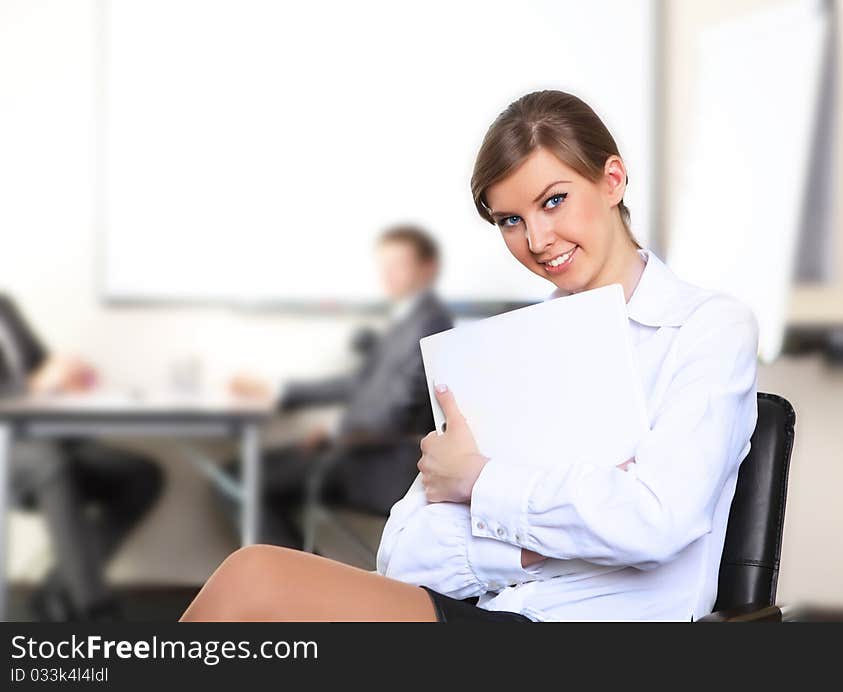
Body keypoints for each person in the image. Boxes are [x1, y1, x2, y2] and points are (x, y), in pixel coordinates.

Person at [180, 90, 758, 622]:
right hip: (496, 616)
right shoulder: (500, 352)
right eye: (511, 220)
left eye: (554, 201)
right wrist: (547, 530)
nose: (536, 240)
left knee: (257, 580)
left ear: (612, 180)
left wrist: (478, 485)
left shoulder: (707, 327)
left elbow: (652, 524)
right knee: (255, 581)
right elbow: (403, 556)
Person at [221, 225, 453, 549]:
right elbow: (359, 383)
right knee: (241, 474)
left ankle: (295, 587)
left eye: (397, 265)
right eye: (383, 265)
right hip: (360, 453)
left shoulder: (429, 323)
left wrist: (333, 432)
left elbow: (397, 411)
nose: (387, 275)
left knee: (241, 477)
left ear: (428, 267)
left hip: (378, 464)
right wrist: (277, 390)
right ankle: (299, 582)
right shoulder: (408, 319)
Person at [0, 294, 164, 620]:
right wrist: (32, 385)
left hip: (48, 437)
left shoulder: (5, 305)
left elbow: (45, 367)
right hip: (10, 448)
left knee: (142, 476)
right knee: (51, 464)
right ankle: (93, 606)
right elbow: (32, 383)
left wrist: (68, 378)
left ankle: (58, 588)